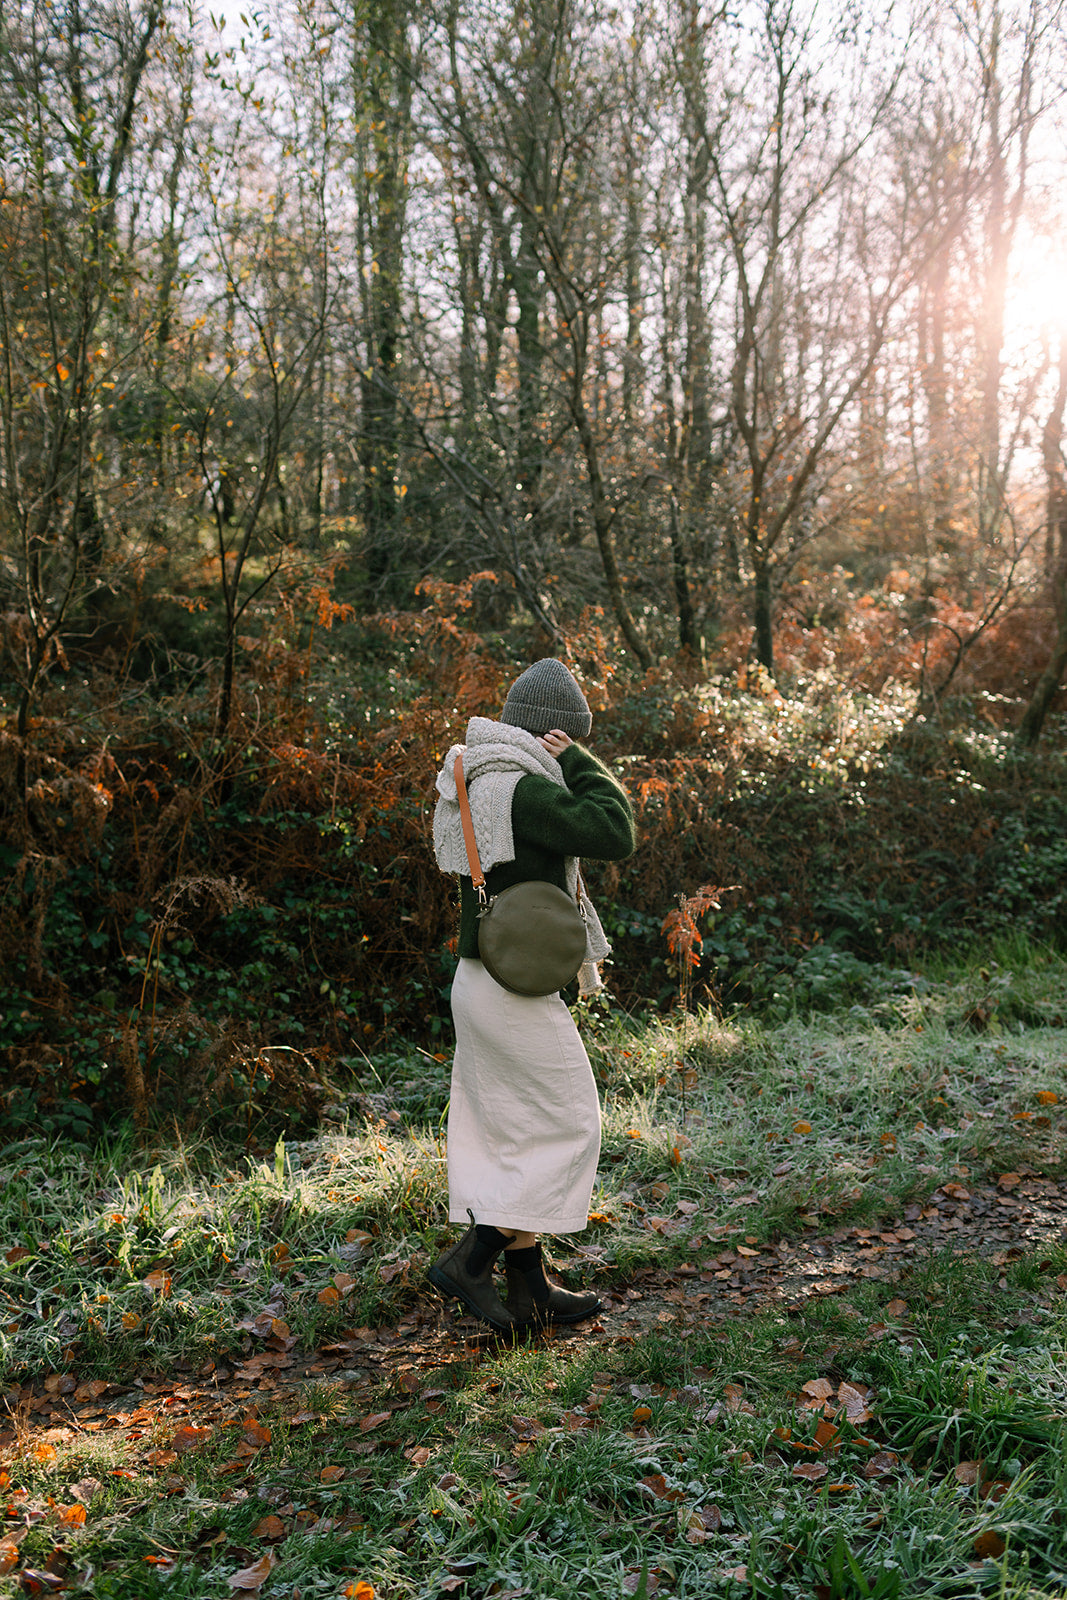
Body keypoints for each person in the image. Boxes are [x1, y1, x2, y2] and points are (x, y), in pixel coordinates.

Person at [427, 659, 636, 1331]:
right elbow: (613, 831)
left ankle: (528, 1290)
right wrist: (582, 764)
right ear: (555, 734)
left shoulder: (476, 772)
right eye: (574, 737)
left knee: (514, 1131)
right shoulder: (523, 790)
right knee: (571, 1123)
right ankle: (471, 1257)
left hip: (482, 977)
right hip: (509, 986)